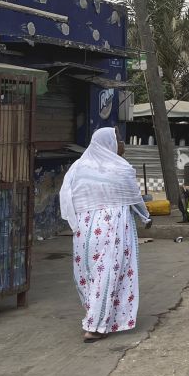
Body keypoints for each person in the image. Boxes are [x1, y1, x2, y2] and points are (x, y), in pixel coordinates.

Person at [59, 128, 151, 342]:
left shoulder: (78, 167)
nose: (122, 143)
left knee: (88, 274)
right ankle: (95, 326)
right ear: (109, 143)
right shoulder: (120, 168)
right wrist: (146, 217)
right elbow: (134, 198)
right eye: (119, 139)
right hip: (113, 228)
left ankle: (95, 316)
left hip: (84, 229)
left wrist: (74, 222)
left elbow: (66, 195)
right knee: (107, 274)